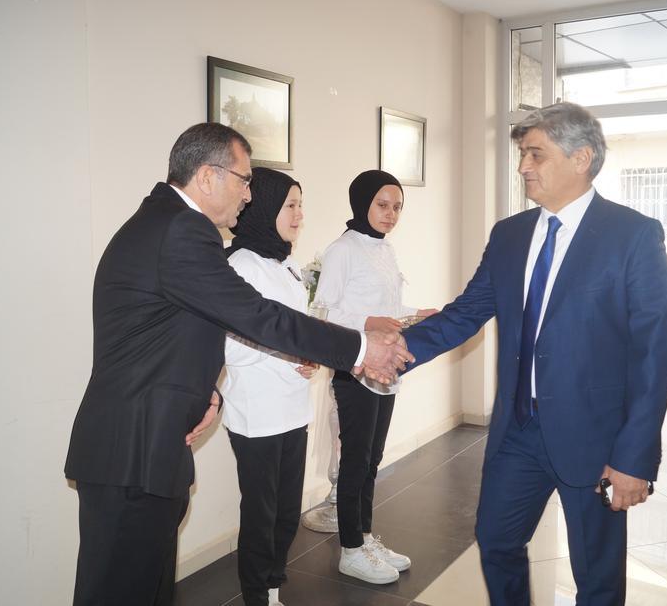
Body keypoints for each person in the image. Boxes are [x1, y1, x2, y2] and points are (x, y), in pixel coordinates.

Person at [63, 124, 413, 606]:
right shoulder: (181, 230)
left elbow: (170, 330)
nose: (248, 195)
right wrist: (360, 349)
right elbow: (256, 316)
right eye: (244, 180)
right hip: (134, 449)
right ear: (208, 176)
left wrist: (206, 390)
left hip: (146, 442)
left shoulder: (167, 224)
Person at [400, 102, 667, 605]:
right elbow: (466, 313)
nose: (523, 166)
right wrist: (395, 350)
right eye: (523, 154)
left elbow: (653, 356)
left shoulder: (633, 236)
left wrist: (634, 457)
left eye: (536, 154)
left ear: (581, 158)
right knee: (496, 541)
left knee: (596, 576)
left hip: (595, 439)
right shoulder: (509, 235)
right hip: (518, 432)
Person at [313, 170, 438, 584]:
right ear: (362, 202)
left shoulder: (385, 249)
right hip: (355, 369)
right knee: (355, 460)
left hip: (385, 367)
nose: (391, 214)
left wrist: (417, 315)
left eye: (397, 207)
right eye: (383, 205)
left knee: (372, 459)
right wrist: (368, 320)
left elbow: (391, 310)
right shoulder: (342, 250)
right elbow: (323, 312)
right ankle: (350, 550)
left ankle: (365, 537)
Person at [218, 168, 316, 606]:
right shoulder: (239, 266)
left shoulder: (286, 263)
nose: (299, 215)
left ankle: (273, 588)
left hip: (293, 409)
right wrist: (290, 352)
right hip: (257, 414)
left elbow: (296, 329)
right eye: (290, 205)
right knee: (262, 515)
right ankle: (257, 595)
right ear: (264, 208)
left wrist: (307, 353)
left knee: (286, 513)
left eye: (300, 205)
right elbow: (229, 348)